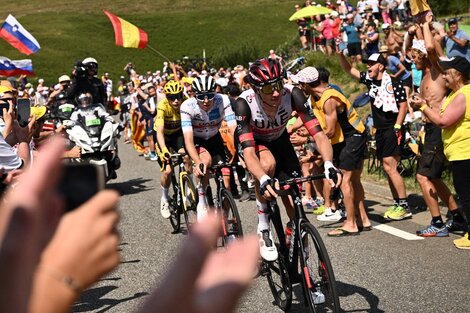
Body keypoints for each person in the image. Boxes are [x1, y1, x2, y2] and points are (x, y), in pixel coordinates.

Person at [234, 58, 341, 261]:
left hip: (279, 138)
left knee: (293, 195)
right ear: (256, 89)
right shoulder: (244, 103)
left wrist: (328, 163)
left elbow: (319, 135)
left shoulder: (293, 94)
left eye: (278, 84)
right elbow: (248, 152)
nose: (275, 93)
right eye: (267, 89)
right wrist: (264, 179)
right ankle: (263, 226)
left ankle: (300, 240)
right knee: (267, 165)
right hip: (254, 141)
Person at [293, 66, 371, 235]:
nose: (299, 87)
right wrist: (293, 131)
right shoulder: (315, 98)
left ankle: (350, 223)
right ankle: (362, 219)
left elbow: (328, 131)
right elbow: (310, 119)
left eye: (300, 84)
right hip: (346, 139)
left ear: (307, 84)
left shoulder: (329, 98)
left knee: (344, 180)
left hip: (354, 136)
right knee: (354, 181)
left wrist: (305, 139)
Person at [407, 21, 467, 237]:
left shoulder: (437, 71)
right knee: (433, 176)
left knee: (423, 177)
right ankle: (457, 216)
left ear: (424, 56)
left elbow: (432, 49)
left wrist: (424, 25)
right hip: (429, 128)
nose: (412, 58)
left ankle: (437, 222)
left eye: (415, 55)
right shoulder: (423, 76)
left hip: (438, 128)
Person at [338, 52, 411, 221]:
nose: (368, 66)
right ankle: (397, 203)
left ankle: (404, 206)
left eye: (371, 64)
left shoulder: (394, 82)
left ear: (381, 66)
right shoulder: (370, 80)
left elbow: (403, 106)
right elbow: (349, 69)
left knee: (390, 167)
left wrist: (398, 126)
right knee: (387, 168)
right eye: (367, 64)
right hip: (379, 129)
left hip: (392, 128)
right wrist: (341, 54)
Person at [180, 75, 237, 220]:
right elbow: (188, 140)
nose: (206, 101)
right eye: (201, 97)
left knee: (226, 182)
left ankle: (224, 220)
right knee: (205, 163)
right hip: (197, 140)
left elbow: (233, 127)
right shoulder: (187, 106)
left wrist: (241, 149)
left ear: (215, 92)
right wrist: (197, 161)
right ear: (194, 95)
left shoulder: (223, 100)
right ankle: (201, 198)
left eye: (210, 95)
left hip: (214, 138)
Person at [154, 80, 188, 218]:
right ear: (167, 97)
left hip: (177, 134)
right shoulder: (162, 106)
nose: (176, 100)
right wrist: (164, 150)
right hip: (163, 137)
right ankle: (164, 198)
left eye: (178, 96)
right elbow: (160, 132)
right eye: (172, 97)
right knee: (168, 171)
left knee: (186, 158)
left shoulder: (186, 102)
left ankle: (187, 191)